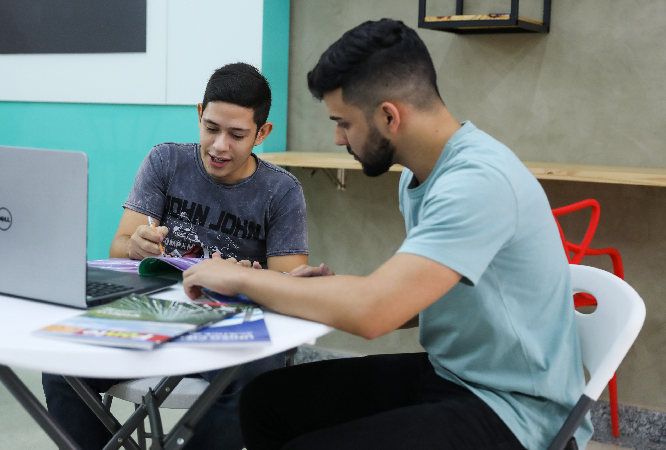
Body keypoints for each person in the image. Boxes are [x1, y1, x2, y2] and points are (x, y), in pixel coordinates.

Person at [182, 19, 593, 450]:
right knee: (266, 401)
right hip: (453, 375)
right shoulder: (419, 175)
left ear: (389, 116)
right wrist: (331, 291)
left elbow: (374, 315)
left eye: (343, 122)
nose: (338, 138)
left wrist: (243, 277)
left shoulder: (476, 181)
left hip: (520, 411)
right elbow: (410, 302)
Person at [42, 62, 309, 450]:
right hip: (154, 315)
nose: (219, 146)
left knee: (259, 380)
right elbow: (119, 247)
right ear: (199, 114)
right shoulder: (166, 162)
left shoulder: (280, 191)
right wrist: (136, 246)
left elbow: (294, 288)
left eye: (237, 135)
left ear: (262, 133)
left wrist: (255, 279)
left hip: (226, 328)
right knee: (60, 369)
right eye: (211, 128)